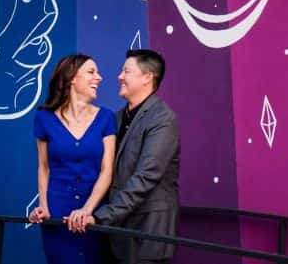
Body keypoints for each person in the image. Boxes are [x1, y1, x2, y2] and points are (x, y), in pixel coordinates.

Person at [79, 49, 180, 264]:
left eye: (126, 71)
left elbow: (145, 177)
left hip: (147, 233)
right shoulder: (115, 118)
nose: (119, 76)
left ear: (147, 77)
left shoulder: (163, 119)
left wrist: (100, 216)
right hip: (115, 232)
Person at [29, 54, 117, 263]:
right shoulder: (44, 118)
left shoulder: (106, 117)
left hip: (93, 210)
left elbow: (107, 171)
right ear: (71, 78)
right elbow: (43, 167)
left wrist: (88, 209)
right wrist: (44, 206)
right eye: (91, 72)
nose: (99, 78)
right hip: (57, 209)